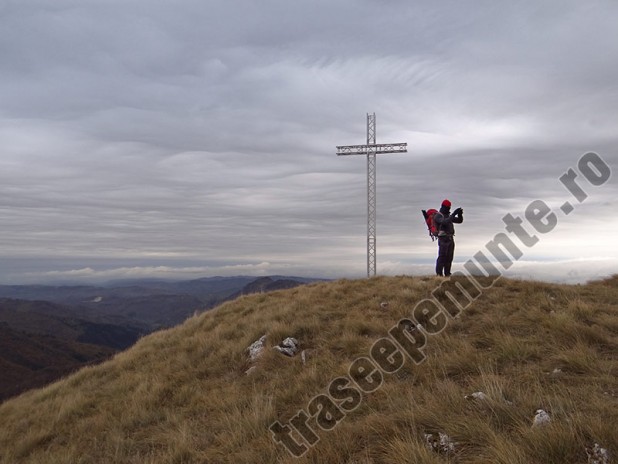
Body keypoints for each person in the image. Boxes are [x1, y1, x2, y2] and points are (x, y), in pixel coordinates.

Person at [433, 199, 463, 277]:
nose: (448, 209)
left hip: (450, 238)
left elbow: (459, 221)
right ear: (443, 207)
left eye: (449, 207)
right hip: (443, 239)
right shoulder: (438, 215)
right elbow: (444, 222)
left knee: (449, 257)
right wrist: (453, 214)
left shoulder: (448, 216)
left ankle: (447, 273)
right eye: (447, 207)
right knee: (442, 257)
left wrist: (460, 214)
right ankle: (439, 274)